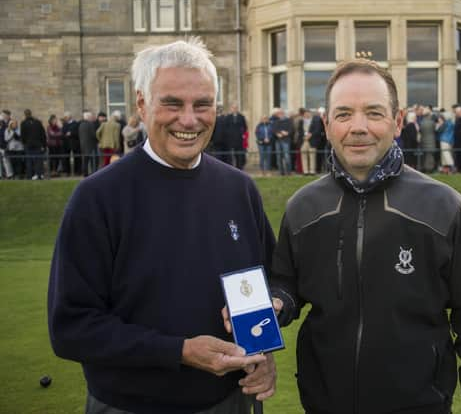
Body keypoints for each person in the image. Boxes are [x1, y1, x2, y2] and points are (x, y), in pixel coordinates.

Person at [48, 38, 277, 414]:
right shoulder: (98, 197)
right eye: (172, 103)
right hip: (131, 406)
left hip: (232, 402)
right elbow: (70, 329)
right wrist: (180, 352)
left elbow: (271, 283)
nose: (189, 119)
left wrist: (263, 351)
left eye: (202, 104)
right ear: (141, 103)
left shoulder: (239, 189)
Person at [267, 59, 461, 414]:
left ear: (397, 121)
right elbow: (286, 282)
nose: (358, 127)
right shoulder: (303, 207)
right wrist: (278, 301)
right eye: (344, 114)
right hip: (324, 404)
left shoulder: (444, 206)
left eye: (374, 113)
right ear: (327, 124)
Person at [20, 109, 47, 180]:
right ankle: (39, 174)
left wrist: (24, 143)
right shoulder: (38, 122)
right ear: (31, 114)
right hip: (38, 144)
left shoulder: (23, 123)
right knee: (38, 160)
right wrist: (44, 145)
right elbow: (43, 134)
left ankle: (30, 175)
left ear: (25, 115)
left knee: (29, 160)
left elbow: (23, 135)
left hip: (28, 145)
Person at [272, 108, 293, 175]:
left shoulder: (288, 121)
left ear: (283, 114)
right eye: (278, 113)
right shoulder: (276, 121)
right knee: (279, 157)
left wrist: (287, 133)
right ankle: (281, 172)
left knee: (287, 156)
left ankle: (288, 172)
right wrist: (277, 133)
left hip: (286, 140)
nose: (280, 115)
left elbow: (291, 130)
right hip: (278, 140)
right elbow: (274, 130)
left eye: (281, 113)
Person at [78, 111, 99, 177]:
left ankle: (85, 174)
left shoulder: (81, 125)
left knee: (85, 161)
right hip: (91, 145)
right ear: (88, 117)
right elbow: (93, 135)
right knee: (93, 161)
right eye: (91, 116)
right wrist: (98, 139)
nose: (92, 117)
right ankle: (94, 174)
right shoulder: (90, 124)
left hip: (83, 145)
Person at [418, 106, 436, 173]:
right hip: (431, 141)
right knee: (430, 156)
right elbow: (435, 130)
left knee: (425, 156)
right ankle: (429, 169)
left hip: (423, 141)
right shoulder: (432, 123)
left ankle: (425, 168)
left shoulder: (421, 122)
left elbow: (420, 131)